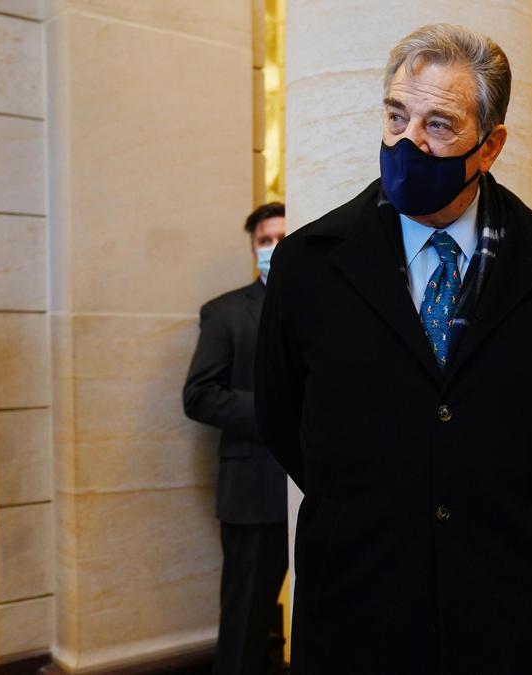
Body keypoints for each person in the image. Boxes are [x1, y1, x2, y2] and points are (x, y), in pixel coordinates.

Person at [254, 24, 532, 674]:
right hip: (356, 598)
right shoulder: (309, 263)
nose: (409, 141)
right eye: (396, 115)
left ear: (489, 145)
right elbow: (281, 415)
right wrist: (378, 492)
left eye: (439, 124)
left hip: (500, 604)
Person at [183, 202, 289, 675]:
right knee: (246, 617)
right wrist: (273, 409)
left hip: (319, 490)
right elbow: (199, 396)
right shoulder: (225, 313)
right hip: (254, 488)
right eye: (266, 240)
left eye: (284, 239)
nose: (274, 248)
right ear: (253, 250)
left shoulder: (325, 308)